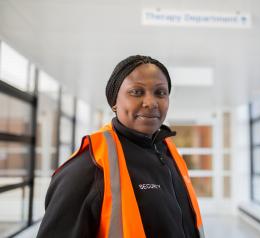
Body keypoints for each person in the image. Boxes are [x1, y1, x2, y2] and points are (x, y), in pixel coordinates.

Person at [36, 55, 205, 238]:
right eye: (136, 92)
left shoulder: (167, 151)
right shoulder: (90, 163)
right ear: (114, 102)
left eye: (160, 92)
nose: (151, 103)